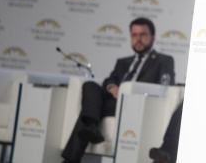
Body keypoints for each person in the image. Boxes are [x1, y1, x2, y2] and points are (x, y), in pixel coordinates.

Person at [62, 17, 175, 163]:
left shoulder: (163, 60)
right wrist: (113, 88)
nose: (138, 39)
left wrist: (125, 92)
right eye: (134, 35)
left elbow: (166, 85)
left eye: (143, 35)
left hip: (135, 103)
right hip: (113, 101)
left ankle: (75, 152)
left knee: (93, 108)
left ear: (152, 37)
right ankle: (90, 126)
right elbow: (109, 80)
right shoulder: (123, 62)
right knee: (90, 86)